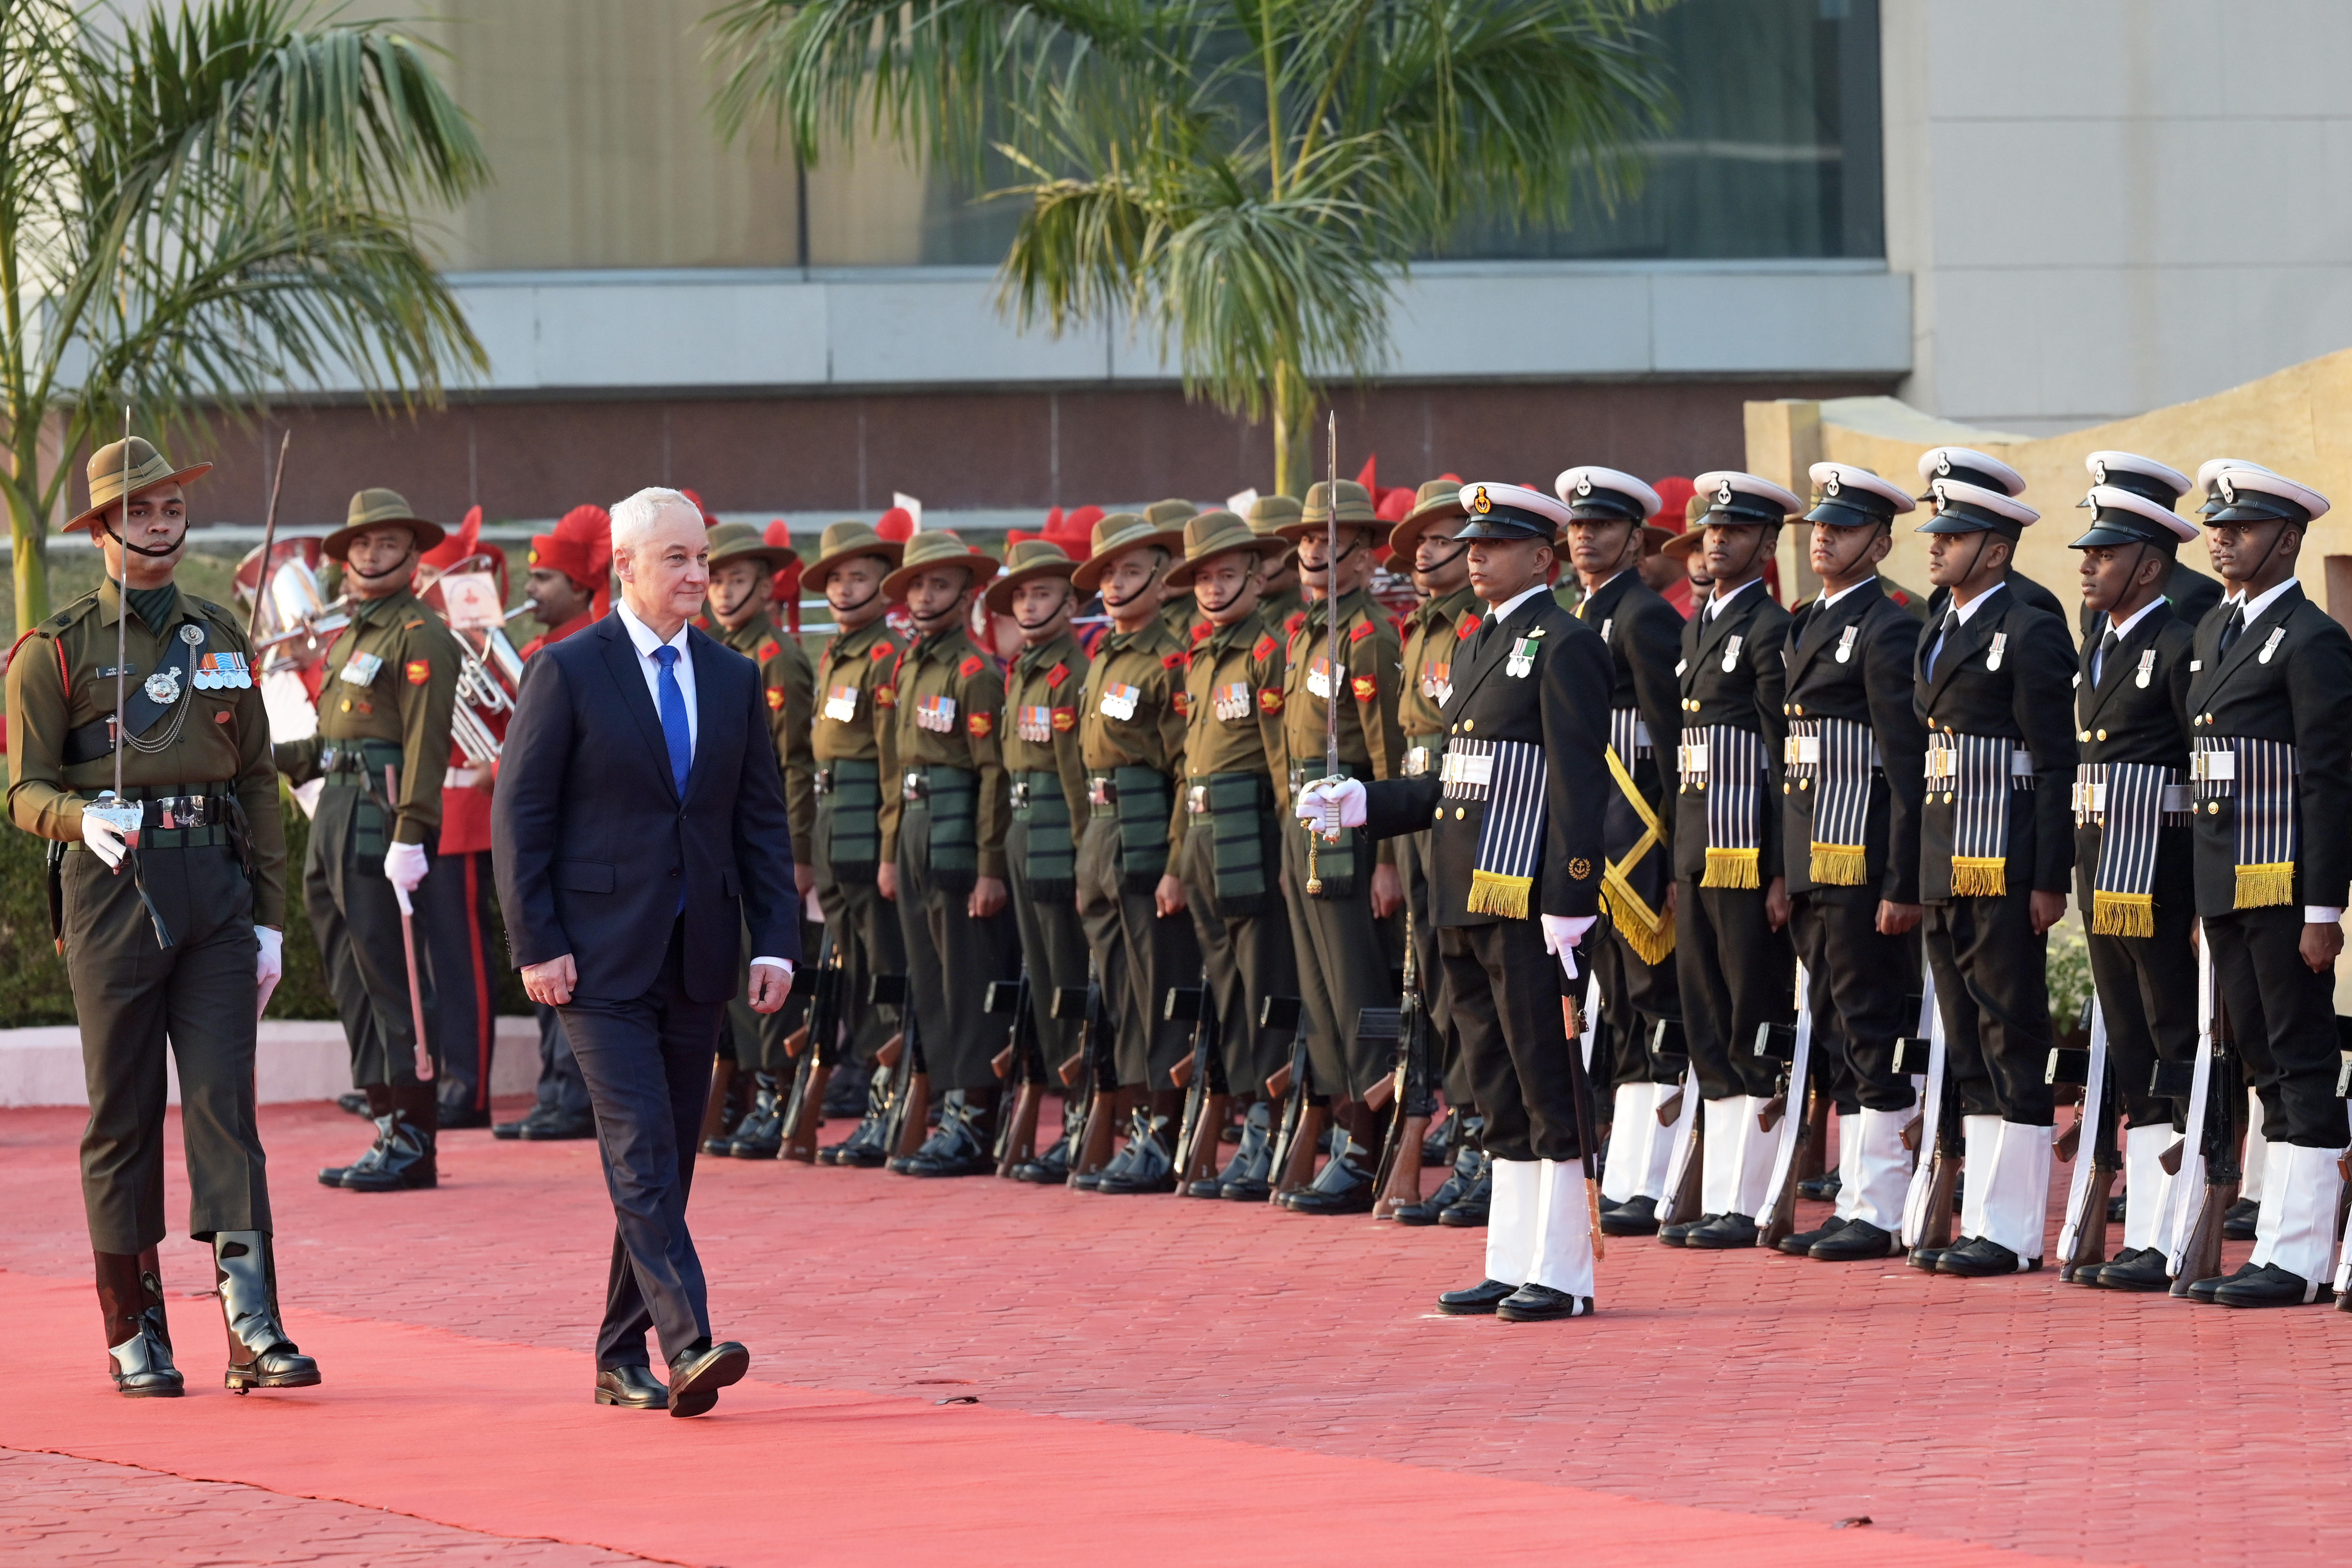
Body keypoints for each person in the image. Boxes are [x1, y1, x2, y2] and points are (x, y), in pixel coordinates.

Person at [7, 437, 320, 1398]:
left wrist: (267, 917)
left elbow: (259, 781)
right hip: (114, 888)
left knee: (228, 1104)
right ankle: (132, 1323)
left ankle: (252, 1323)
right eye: (139, 512)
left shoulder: (221, 634)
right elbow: (21, 788)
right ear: (101, 528)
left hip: (214, 888)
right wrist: (76, 815)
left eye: (170, 509)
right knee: (125, 1113)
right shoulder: (55, 648)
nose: (159, 525)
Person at [495, 486, 799, 1416]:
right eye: (677, 558)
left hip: (697, 954)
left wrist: (777, 942)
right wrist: (537, 943)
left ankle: (617, 1352)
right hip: (593, 961)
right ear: (624, 566)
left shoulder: (733, 676)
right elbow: (522, 817)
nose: (699, 574)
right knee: (637, 1149)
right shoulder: (567, 669)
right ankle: (689, 1341)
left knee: (667, 1156)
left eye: (702, 557)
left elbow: (761, 824)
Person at [1302, 481, 1612, 1319]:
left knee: (1547, 1083)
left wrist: (1570, 889)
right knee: (1495, 1085)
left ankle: (1564, 1272)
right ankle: (1512, 1260)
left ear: (1542, 557)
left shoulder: (1565, 643)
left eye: (1493, 543)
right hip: (1464, 892)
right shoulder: (1479, 643)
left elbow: (1581, 781)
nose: (1474, 554)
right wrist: (1365, 803)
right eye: (1471, 542)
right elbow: (1453, 782)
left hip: (1526, 898)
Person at [2180, 466, 2352, 1308]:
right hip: (2229, 884)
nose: (2220, 538)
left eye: (2240, 528)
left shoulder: (2313, 639)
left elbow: (2328, 778)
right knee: (2261, 1062)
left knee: (2300, 1057)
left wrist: (2326, 908)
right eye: (2216, 525)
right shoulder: (2215, 626)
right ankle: (2279, 1241)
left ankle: (2303, 1251)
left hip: (2285, 888)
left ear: (2286, 539)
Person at [1910, 475, 2075, 1277]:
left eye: (1952, 535)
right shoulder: (1938, 622)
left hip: (2004, 856)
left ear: (1998, 549)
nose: (1935, 544)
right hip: (1947, 855)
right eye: (1935, 532)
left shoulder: (2030, 626)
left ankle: (2014, 1228)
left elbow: (2054, 764)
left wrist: (2051, 875)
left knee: (2012, 1032)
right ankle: (1984, 1216)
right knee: (1969, 1037)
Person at [276, 490, 461, 1194]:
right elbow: (330, 741)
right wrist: (252, 750)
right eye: (363, 545)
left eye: (388, 543)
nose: (373, 555)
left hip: (383, 816)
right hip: (335, 810)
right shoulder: (352, 634)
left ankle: (415, 1139)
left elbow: (424, 745)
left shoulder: (419, 634)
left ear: (414, 554)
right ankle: (385, 1123)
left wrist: (413, 832)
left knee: (397, 982)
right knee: (348, 976)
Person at [1769, 463, 1929, 1263]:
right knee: (1833, 1028)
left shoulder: (1891, 622)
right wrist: (1780, 871)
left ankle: (1881, 1204)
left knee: (1870, 1026)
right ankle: (1857, 1200)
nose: (1823, 536)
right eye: (1818, 526)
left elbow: (1904, 764)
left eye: (1842, 526)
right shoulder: (1805, 619)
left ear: (1881, 540)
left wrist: (1904, 881)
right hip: (1811, 861)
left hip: (1860, 859)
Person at [2061, 459, 2201, 1290]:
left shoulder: (2179, 642)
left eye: (2103, 555)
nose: (2087, 565)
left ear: (2147, 565)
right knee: (2136, 1044)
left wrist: (2198, 901)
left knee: (2174, 1037)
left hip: (2165, 868)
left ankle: (2184, 1221)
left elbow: (2201, 765)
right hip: (2103, 864)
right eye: (2087, 553)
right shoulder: (2101, 640)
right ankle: (2145, 1231)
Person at [1661, 472, 1798, 1250]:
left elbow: (1783, 759)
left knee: (1751, 1013)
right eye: (1713, 531)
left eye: (1735, 532)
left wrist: (1780, 866)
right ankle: (1719, 1194)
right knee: (1706, 1013)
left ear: (1766, 546)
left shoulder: (1771, 627)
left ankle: (1749, 1198)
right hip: (1697, 843)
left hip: (1746, 847)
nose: (1716, 541)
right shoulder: (1697, 625)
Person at [1552, 467, 1685, 1238]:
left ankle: (1652, 1171)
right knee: (1619, 1008)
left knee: (1650, 1005)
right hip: (1596, 840)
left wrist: (1667, 857)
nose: (1586, 536)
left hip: (1640, 846)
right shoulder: (1585, 615)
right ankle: (1626, 1163)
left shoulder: (1643, 617)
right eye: (1577, 525)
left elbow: (1669, 746)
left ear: (1636, 538)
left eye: (1603, 525)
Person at [1272, 479, 1406, 1214]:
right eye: (1309, 542)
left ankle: (1371, 1140)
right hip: (1304, 818)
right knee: (1320, 990)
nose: (1320, 554)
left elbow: (1386, 759)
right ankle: (1344, 1127)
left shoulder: (1368, 634)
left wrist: (1386, 856)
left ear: (1364, 557)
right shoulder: (1304, 636)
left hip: (1349, 814)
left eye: (1335, 542)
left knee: (1356, 983)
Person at [1162, 510, 1298, 1199]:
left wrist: (1288, 851)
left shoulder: (1268, 651)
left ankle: (1272, 1124)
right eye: (1204, 578)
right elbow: (1189, 767)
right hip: (1205, 837)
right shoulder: (1200, 656)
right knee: (1230, 989)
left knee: (1265, 982)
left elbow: (1282, 761)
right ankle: (1248, 1113)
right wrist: (1175, 861)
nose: (1214, 589)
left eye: (1226, 574)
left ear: (1256, 574)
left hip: (1255, 833)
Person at [875, 530, 1019, 1176]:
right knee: (930, 980)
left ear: (969, 594)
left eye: (940, 584)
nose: (926, 595)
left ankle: (974, 1114)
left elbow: (994, 775)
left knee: (967, 977)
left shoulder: (974, 673)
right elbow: (889, 765)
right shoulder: (905, 665)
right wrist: (887, 850)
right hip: (911, 829)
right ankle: (944, 1111)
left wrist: (990, 866)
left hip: (959, 833)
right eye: (918, 584)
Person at [1070, 510, 1201, 1193]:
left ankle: (1164, 1125)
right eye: (1108, 573)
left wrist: (1177, 861)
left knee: (1157, 990)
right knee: (1118, 989)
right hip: (1101, 834)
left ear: (1159, 574)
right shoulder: (1103, 657)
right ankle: (1133, 1120)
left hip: (1149, 832)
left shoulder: (1171, 657)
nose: (1117, 585)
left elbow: (1188, 767)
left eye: (1130, 570)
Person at [1385, 479, 1489, 1224]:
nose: (1425, 548)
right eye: (1419, 538)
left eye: (1442, 533)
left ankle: (1483, 1135)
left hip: (1467, 809)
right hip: (1418, 812)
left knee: (1466, 982)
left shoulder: (1478, 626)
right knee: (1428, 982)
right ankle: (1457, 1127)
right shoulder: (1419, 628)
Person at [696, 521, 815, 1158]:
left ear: (767, 586)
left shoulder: (775, 659)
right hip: (721, 838)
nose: (722, 591)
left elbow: (792, 765)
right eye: (715, 578)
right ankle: (745, 1087)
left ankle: (776, 1091)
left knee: (767, 968)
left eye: (737, 579)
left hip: (763, 838)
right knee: (734, 968)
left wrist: (797, 854)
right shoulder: (713, 652)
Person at [496, 504, 610, 1143]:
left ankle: (572, 1096)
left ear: (580, 588)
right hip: (544, 837)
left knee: (575, 972)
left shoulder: (586, 654)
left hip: (580, 838)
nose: (530, 589)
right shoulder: (542, 651)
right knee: (542, 963)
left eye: (544, 578)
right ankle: (554, 1091)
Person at [803, 520, 911, 1166]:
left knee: (882, 969)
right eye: (837, 579)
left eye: (860, 577)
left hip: (868, 822)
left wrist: (890, 848)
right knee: (850, 964)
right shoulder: (834, 653)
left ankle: (891, 1098)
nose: (846, 589)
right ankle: (871, 1091)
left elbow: (895, 764)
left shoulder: (885, 657)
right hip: (831, 823)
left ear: (882, 587)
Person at [989, 539, 1095, 1182]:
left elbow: (1077, 779)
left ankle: (1086, 1107)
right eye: (1022, 594)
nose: (1030, 604)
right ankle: (1067, 1102)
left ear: (1071, 602)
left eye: (1044, 593)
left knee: (1067, 977)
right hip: (1024, 834)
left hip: (1061, 834)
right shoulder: (1023, 669)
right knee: (1044, 977)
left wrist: (1085, 859)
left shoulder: (1067, 674)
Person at [414, 510, 507, 1132]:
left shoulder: (477, 638)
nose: (417, 581)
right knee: (433, 962)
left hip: (467, 813)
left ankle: (468, 1087)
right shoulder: (428, 635)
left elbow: (506, 719)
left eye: (427, 572)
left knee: (463, 961)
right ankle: (444, 1072)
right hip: (430, 812)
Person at [1916, 448, 2071, 637]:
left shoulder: (2029, 603)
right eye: (1937, 515)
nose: (1935, 546)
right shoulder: (1941, 599)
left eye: (1955, 535)